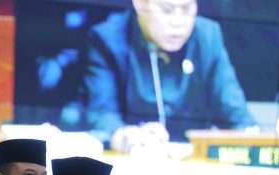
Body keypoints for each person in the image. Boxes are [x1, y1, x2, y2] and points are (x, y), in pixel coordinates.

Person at [83, 0, 255, 151]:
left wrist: (255, 135)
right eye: (167, 9)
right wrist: (123, 136)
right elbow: (102, 113)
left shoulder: (208, 36)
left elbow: (235, 111)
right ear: (140, 4)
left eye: (187, 8)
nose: (178, 22)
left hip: (195, 162)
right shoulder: (108, 38)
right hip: (136, 158)